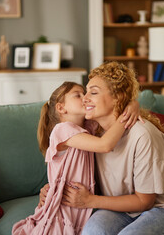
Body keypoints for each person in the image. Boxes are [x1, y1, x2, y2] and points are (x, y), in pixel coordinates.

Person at [40, 62, 164, 235]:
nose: (85, 98)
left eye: (93, 92)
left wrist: (90, 200)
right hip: (120, 210)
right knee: (91, 232)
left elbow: (145, 202)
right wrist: (53, 189)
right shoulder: (93, 132)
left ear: (117, 97)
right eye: (85, 92)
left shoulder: (143, 135)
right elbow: (73, 166)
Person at [12, 81, 139, 235]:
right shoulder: (62, 130)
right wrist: (127, 115)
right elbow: (105, 145)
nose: (85, 98)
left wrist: (131, 104)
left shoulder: (87, 128)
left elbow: (109, 115)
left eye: (85, 93)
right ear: (61, 108)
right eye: (78, 95)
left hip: (79, 206)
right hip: (64, 207)